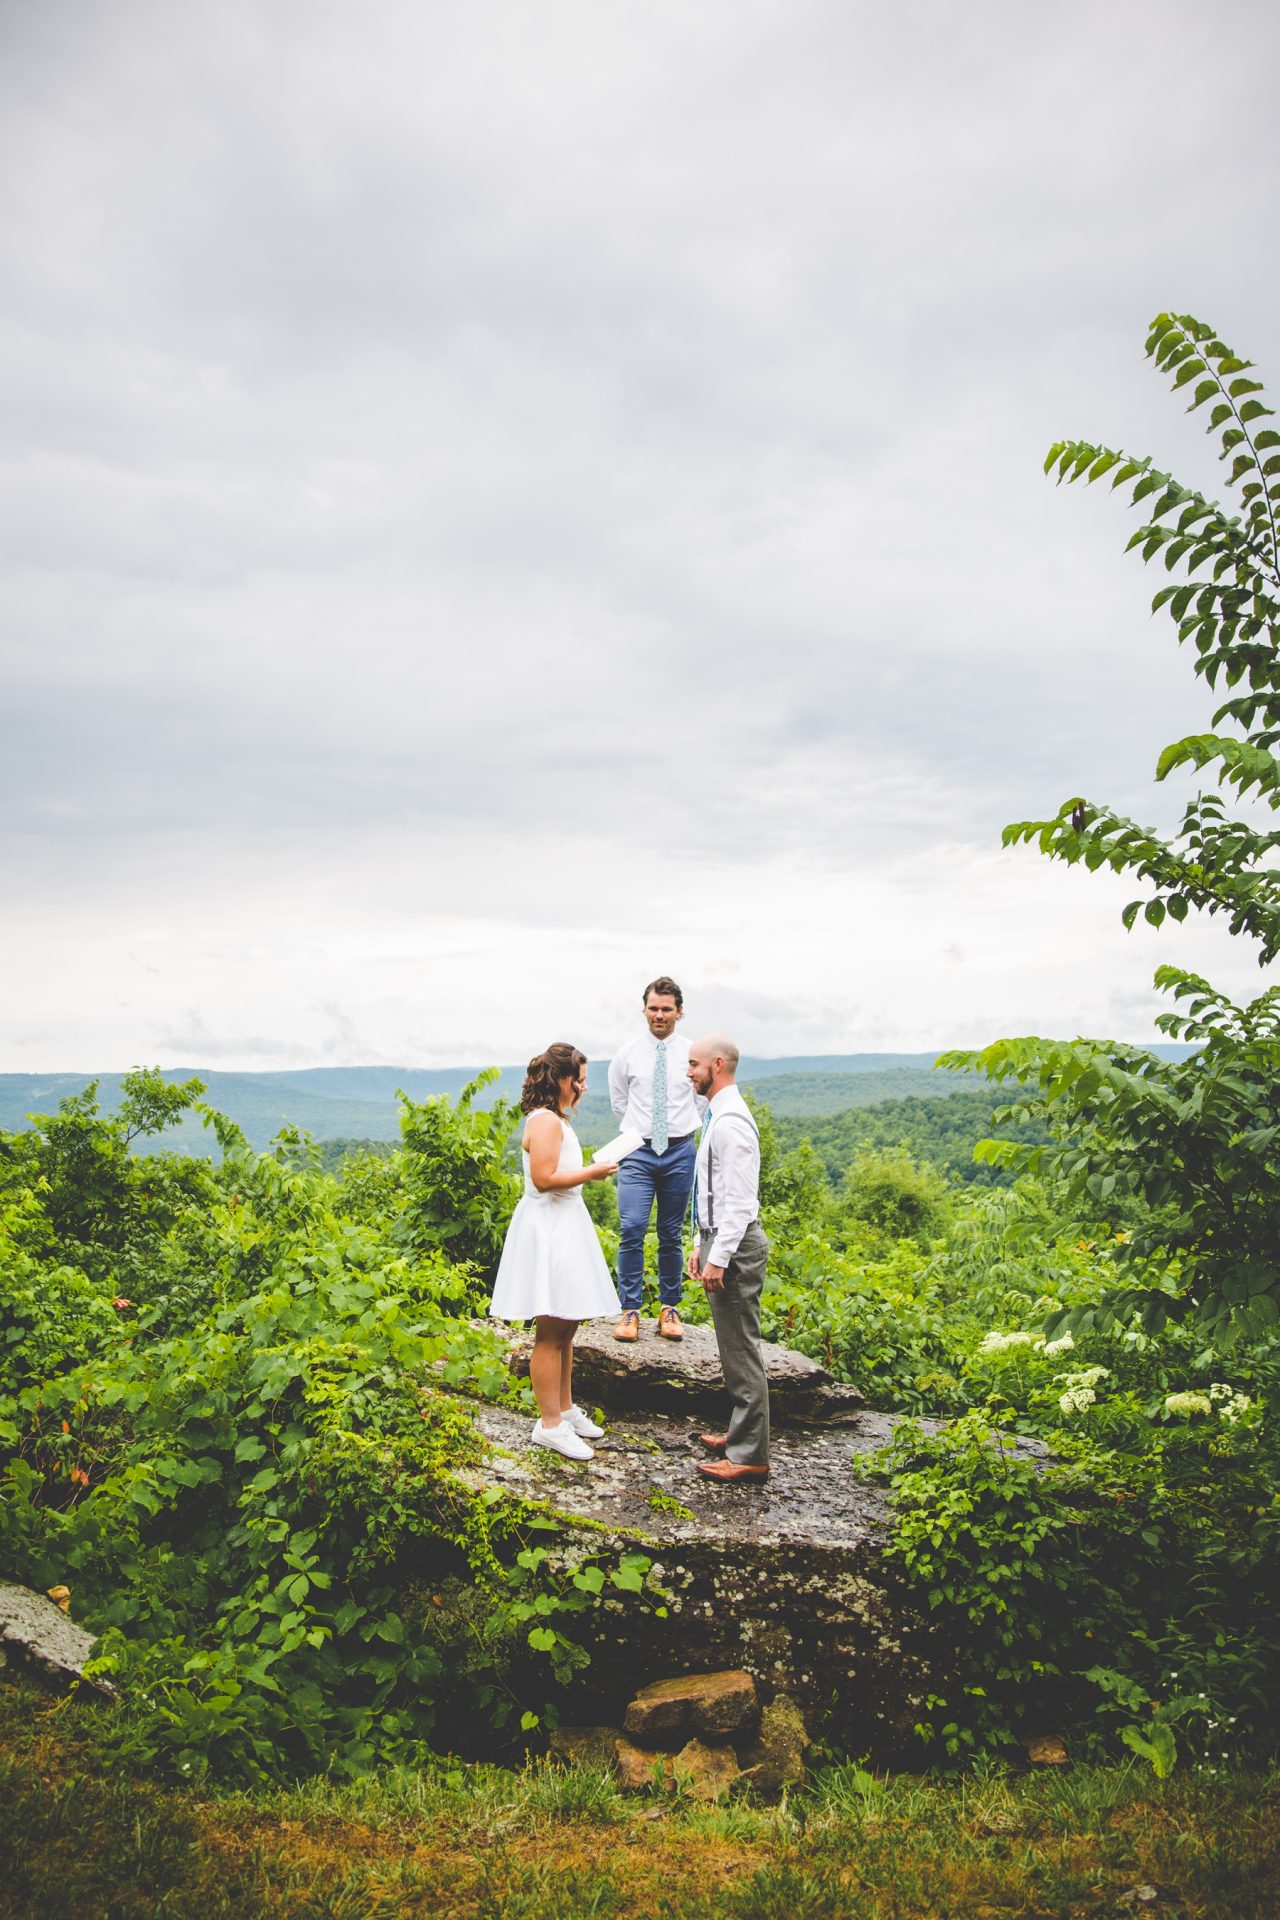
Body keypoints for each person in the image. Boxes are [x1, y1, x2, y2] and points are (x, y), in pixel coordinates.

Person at [489, 1043, 621, 1461]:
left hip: (564, 1224)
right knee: (550, 1331)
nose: (583, 1087)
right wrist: (592, 1173)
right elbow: (544, 1179)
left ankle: (564, 1409)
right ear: (561, 1079)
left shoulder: (554, 1118)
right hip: (549, 1229)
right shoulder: (545, 1121)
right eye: (579, 1079)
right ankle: (549, 1425)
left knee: (567, 1325)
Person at [686, 1034, 770, 1484]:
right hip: (720, 1240)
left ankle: (750, 1455)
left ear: (717, 1065)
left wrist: (718, 1258)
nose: (689, 1072)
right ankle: (741, 1433)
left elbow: (739, 1203)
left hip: (734, 1247)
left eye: (694, 1064)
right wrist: (699, 1244)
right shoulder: (718, 1114)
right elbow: (712, 1193)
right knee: (732, 1347)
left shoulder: (731, 1123)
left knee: (741, 1349)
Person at [607, 975, 704, 1342]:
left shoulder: (693, 1053)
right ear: (644, 1010)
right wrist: (643, 1132)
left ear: (679, 1011)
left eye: (666, 1009)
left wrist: (680, 1127)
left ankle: (669, 1308)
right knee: (632, 1228)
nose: (659, 1015)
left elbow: (700, 1098)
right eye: (653, 1008)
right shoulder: (627, 1055)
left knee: (670, 1233)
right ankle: (629, 1310)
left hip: (679, 1151)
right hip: (638, 1151)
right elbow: (620, 1103)